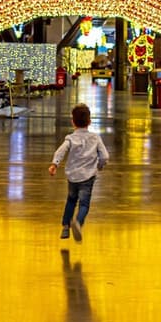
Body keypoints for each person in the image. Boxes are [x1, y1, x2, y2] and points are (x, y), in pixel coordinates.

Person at [48, 103, 109, 241]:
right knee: (84, 204)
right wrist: (99, 166)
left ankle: (65, 227)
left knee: (71, 200)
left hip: (73, 176)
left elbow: (60, 151)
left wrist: (54, 164)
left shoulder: (70, 138)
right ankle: (78, 222)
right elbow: (105, 156)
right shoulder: (95, 138)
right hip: (88, 177)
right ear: (89, 121)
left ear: (73, 122)